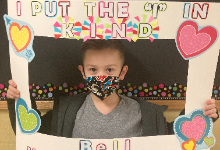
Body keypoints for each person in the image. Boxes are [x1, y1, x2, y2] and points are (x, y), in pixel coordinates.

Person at [7, 39, 219, 138]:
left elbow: (177, 136)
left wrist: (201, 113)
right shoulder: (66, 111)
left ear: (122, 72)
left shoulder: (145, 114)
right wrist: (18, 98)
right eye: (93, 69)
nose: (101, 76)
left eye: (109, 69)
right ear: (83, 72)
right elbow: (29, 132)